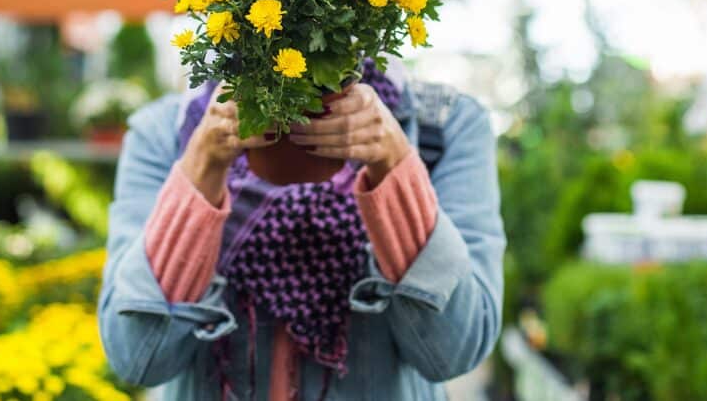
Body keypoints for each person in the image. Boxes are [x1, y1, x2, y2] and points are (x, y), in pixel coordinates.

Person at [98, 60, 505, 400]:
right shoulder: (166, 134)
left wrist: (395, 167)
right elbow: (137, 356)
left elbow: (456, 351)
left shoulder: (443, 129)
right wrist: (203, 165)